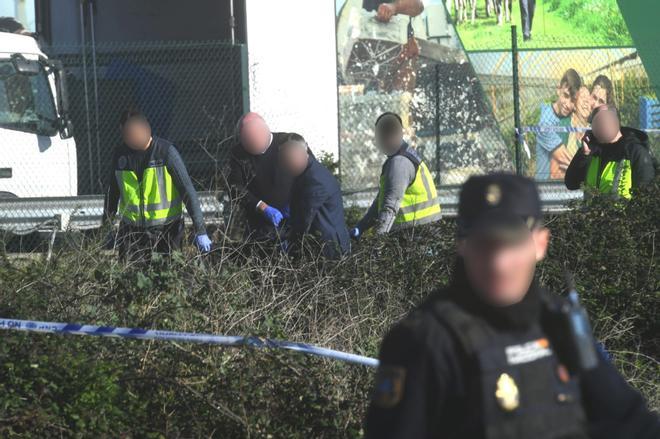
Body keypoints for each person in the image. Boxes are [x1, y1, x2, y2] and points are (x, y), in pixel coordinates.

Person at [365, 173, 660, 438]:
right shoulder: (425, 340)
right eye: (484, 245)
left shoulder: (558, 319)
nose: (499, 264)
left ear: (541, 244)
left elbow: (629, 422)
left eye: (513, 243)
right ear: (462, 245)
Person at [103, 110, 212, 260]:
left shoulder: (166, 152)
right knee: (132, 279)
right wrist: (106, 227)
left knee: (168, 276)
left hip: (167, 230)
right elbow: (112, 193)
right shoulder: (120, 155)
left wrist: (200, 230)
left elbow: (187, 190)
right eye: (127, 135)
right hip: (132, 231)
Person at [352, 113, 441, 238]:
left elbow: (390, 206)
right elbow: (382, 201)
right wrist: (362, 226)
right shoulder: (404, 155)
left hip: (417, 235)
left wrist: (376, 243)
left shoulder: (399, 163)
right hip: (423, 231)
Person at [227, 112, 306, 239]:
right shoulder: (238, 153)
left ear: (266, 132)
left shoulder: (289, 142)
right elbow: (235, 187)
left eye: (253, 142)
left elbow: (309, 174)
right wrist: (261, 206)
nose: (249, 147)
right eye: (246, 142)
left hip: (295, 216)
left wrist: (297, 202)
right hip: (260, 224)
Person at [279, 134, 350, 259]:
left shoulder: (314, 179)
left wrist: (291, 247)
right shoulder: (305, 172)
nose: (285, 165)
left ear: (303, 153)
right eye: (284, 160)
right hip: (322, 246)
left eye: (288, 159)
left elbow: (304, 220)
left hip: (330, 250)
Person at [565, 104, 656, 199]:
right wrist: (584, 154)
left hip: (622, 213)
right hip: (592, 213)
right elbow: (571, 184)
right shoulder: (590, 150)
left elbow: (646, 195)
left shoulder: (634, 151)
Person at [536, 69, 581, 180]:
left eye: (573, 100)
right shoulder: (545, 123)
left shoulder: (569, 116)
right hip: (546, 185)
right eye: (566, 96)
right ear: (558, 90)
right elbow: (568, 161)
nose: (568, 105)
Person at [552, 86, 593, 179]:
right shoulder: (562, 126)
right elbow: (554, 172)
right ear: (574, 104)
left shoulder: (594, 131)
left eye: (588, 98)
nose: (586, 101)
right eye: (582, 97)